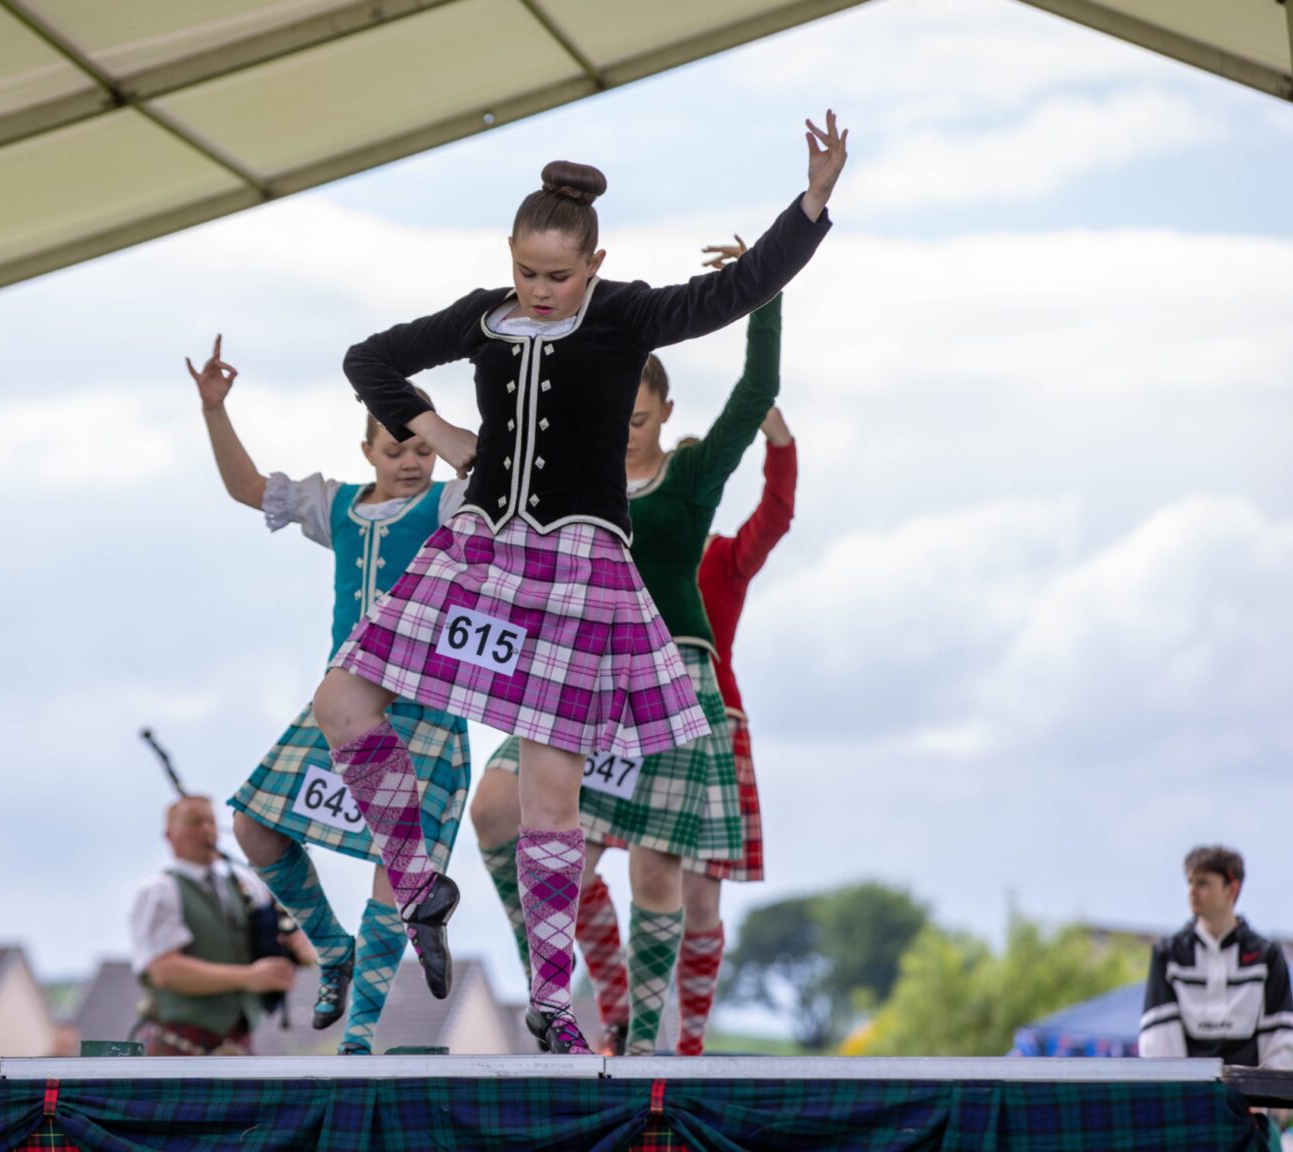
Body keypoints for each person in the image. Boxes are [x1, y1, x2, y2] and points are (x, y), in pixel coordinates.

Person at [310, 113, 847, 1054]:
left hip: (577, 567)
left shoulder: (629, 314)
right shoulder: (483, 315)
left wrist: (810, 204)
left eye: (559, 275)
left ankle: (555, 1005)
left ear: (595, 265)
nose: (541, 290)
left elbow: (737, 289)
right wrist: (436, 434)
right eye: (528, 272)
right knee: (343, 698)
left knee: (554, 794)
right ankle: (418, 876)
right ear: (509, 258)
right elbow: (369, 359)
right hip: (478, 548)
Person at [467, 287, 795, 1055]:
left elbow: (757, 391)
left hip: (672, 676)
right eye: (612, 420)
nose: (623, 435)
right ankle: (555, 991)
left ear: (664, 414)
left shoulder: (689, 479)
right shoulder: (571, 478)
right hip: (581, 672)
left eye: (639, 421)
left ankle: (648, 1048)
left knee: (657, 881)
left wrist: (765, 289)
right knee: (495, 813)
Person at [186, 339, 472, 1055]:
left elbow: (500, 484)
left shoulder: (451, 504)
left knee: (394, 865)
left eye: (422, 450)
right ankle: (330, 948)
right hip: (340, 713)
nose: (411, 461)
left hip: (423, 708)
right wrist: (214, 412)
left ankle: (361, 1039)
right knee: (254, 825)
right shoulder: (336, 504)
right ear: (368, 448)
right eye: (397, 448)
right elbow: (248, 486)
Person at [129, 795, 315, 1056]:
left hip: (237, 1042)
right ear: (169, 835)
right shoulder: (159, 891)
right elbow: (165, 970)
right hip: (176, 1043)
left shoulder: (244, 884)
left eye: (211, 822)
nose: (206, 830)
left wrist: (299, 949)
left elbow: (280, 935)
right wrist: (251, 977)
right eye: (195, 822)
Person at [1139, 845, 1293, 1068]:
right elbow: (1159, 1042)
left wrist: (1262, 1098)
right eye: (1190, 882)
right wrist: (1188, 1094)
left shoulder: (1267, 956)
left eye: (1203, 883)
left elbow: (1281, 1041)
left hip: (1252, 1098)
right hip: (1190, 1097)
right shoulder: (1168, 955)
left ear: (1232, 889)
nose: (1192, 891)